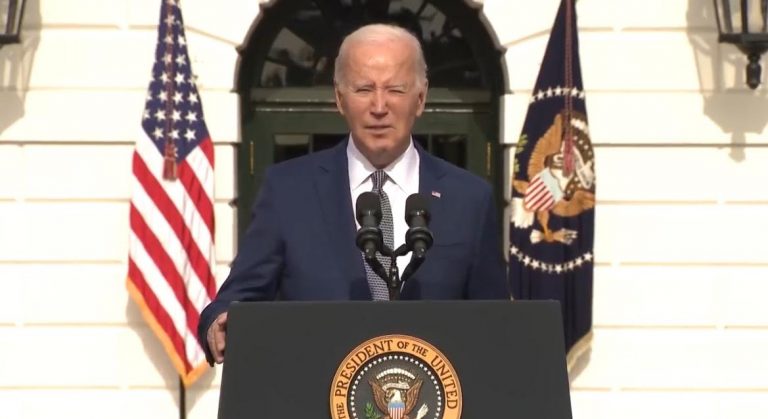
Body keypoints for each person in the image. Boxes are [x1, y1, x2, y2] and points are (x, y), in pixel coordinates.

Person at [199, 23, 510, 364]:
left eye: (395, 89)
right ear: (339, 99)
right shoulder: (288, 192)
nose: (379, 106)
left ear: (420, 99)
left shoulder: (469, 198)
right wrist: (219, 323)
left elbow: (496, 325)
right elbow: (237, 299)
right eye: (363, 89)